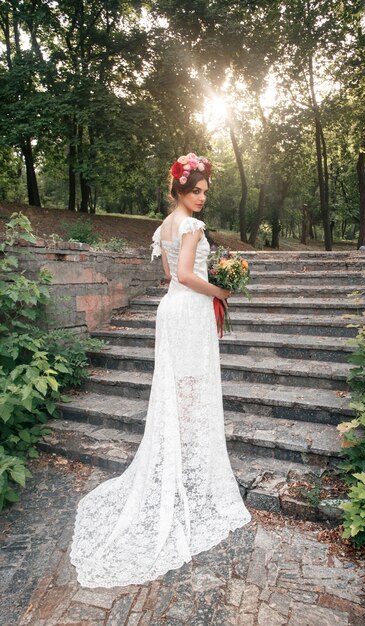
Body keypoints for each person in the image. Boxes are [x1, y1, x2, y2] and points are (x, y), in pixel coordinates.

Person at [70, 153, 252, 588]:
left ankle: (180, 467)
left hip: (170, 311)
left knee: (179, 388)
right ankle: (187, 476)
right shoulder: (191, 226)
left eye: (205, 192)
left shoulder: (165, 226)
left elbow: (169, 272)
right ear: (180, 191)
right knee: (190, 390)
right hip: (189, 310)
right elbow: (187, 275)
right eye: (197, 191)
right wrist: (222, 291)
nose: (203, 198)